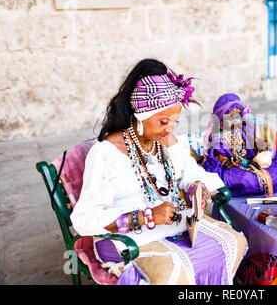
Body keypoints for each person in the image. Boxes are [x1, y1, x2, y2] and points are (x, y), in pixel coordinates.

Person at [70, 59, 247, 285]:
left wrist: (197, 187)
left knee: (232, 242)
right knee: (171, 274)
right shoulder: (106, 153)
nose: (170, 129)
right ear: (140, 116)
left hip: (170, 226)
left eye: (174, 121)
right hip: (126, 238)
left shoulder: (165, 141)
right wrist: (146, 216)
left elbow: (189, 170)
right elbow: (84, 219)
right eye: (163, 121)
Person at [203, 93, 277, 197]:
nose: (234, 121)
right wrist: (230, 163)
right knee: (245, 179)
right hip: (234, 169)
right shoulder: (219, 139)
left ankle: (263, 184)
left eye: (237, 116)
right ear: (221, 119)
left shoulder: (243, 130)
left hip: (250, 162)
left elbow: (253, 144)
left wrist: (260, 147)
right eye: (230, 117)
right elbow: (220, 159)